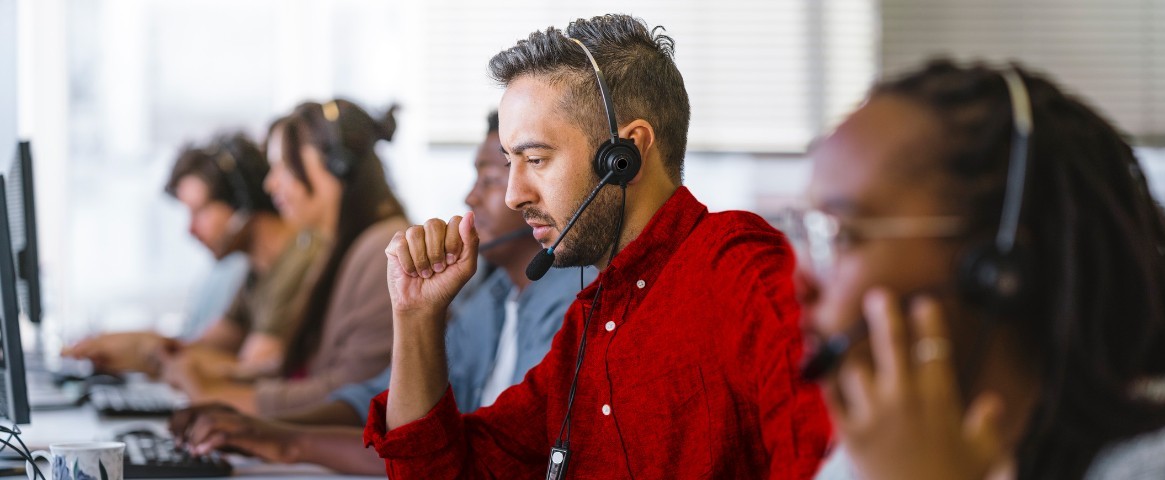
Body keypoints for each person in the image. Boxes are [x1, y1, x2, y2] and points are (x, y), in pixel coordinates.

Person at [365, 14, 830, 478]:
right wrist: (416, 317)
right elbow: (448, 471)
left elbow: (821, 457)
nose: (513, 194)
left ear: (624, 155)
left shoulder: (742, 272)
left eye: (536, 159)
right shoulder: (587, 328)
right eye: (510, 163)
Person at [792, 60, 1165, 480]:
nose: (799, 284)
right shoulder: (868, 459)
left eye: (838, 236)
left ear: (997, 269)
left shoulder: (1149, 466)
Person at [166, 111, 590, 475]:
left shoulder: (571, 303)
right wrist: (268, 432)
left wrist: (283, 440)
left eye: (491, 178)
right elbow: (382, 397)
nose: (470, 196)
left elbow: (471, 451)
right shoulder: (493, 296)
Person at [161, 100, 408, 417]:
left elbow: (353, 391)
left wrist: (218, 394)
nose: (270, 184)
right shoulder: (334, 248)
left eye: (284, 167)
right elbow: (305, 370)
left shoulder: (383, 251)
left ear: (336, 166)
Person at [63, 132, 320, 379]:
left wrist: (150, 352)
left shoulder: (299, 261)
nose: (190, 230)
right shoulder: (255, 273)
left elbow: (251, 369)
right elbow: (201, 349)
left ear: (243, 200)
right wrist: (131, 347)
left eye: (200, 212)